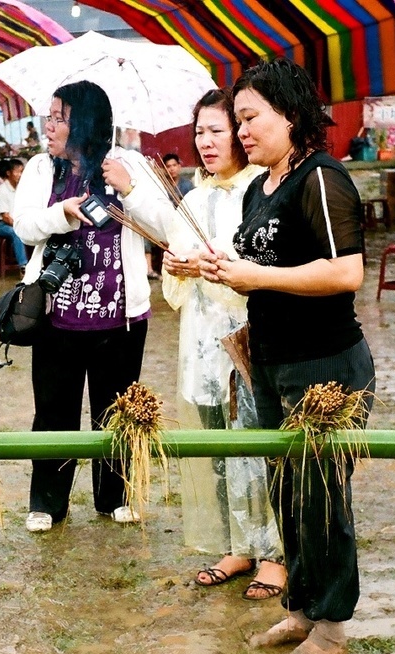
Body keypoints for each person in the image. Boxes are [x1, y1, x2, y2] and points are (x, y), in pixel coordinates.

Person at [201, 58, 375, 654]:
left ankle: (331, 627)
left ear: (292, 116)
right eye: (237, 119)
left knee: (323, 495)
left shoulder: (322, 181)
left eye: (251, 118)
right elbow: (257, 268)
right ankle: (302, 607)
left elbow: (344, 272)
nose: (240, 131)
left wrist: (255, 276)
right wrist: (212, 266)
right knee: (288, 491)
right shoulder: (259, 186)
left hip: (327, 366)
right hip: (273, 364)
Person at [13, 80, 173, 533]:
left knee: (117, 409)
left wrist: (131, 187)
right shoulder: (42, 168)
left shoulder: (130, 163)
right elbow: (24, 227)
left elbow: (165, 227)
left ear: (83, 122)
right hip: (55, 317)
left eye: (58, 117)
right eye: (49, 116)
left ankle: (115, 496)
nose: (48, 125)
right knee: (53, 411)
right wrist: (62, 211)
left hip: (120, 318)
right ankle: (47, 502)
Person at [161, 89, 286, 601]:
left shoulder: (263, 189)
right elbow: (175, 281)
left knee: (256, 444)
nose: (207, 142)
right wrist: (175, 267)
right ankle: (237, 545)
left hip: (249, 339)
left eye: (217, 130)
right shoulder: (192, 198)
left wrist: (217, 267)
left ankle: (275, 554)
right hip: (201, 340)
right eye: (200, 133)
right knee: (217, 446)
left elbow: (265, 267)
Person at [0, 158, 27, 271]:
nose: (20, 175)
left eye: (22, 171)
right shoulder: (1, 190)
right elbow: (5, 217)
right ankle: (23, 266)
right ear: (8, 173)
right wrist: (21, 225)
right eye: (17, 172)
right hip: (2, 224)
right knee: (17, 233)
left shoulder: (22, 189)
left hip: (18, 221)